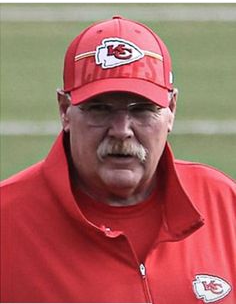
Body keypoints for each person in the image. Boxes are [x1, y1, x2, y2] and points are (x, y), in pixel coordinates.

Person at [1, 16, 235, 303]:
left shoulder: (225, 203)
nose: (122, 131)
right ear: (64, 110)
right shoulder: (7, 220)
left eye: (142, 109)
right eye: (99, 109)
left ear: (171, 109)